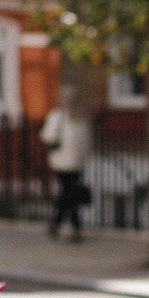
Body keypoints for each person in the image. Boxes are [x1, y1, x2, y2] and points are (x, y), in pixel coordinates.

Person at [40, 91, 93, 242]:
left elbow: (48, 136)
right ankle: (69, 227)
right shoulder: (81, 117)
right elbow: (87, 142)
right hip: (76, 163)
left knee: (67, 194)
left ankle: (60, 224)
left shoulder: (58, 116)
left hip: (63, 162)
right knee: (70, 194)